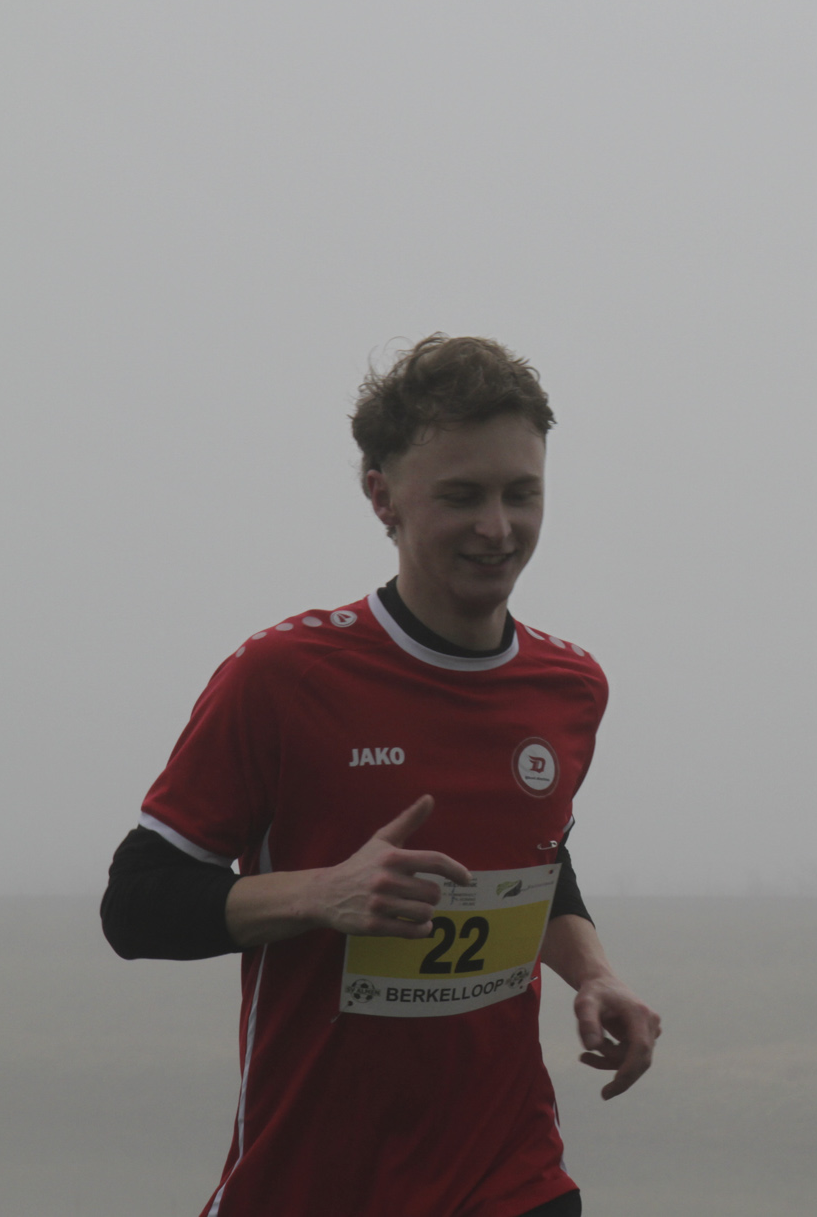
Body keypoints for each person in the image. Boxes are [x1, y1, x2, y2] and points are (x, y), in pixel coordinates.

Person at [100, 335, 659, 1217]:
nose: (498, 528)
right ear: (382, 497)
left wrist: (594, 971)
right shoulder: (283, 677)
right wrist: (322, 893)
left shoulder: (571, 685)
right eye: (462, 496)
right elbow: (135, 904)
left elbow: (539, 857)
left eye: (521, 493)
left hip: (511, 1177)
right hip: (313, 1179)